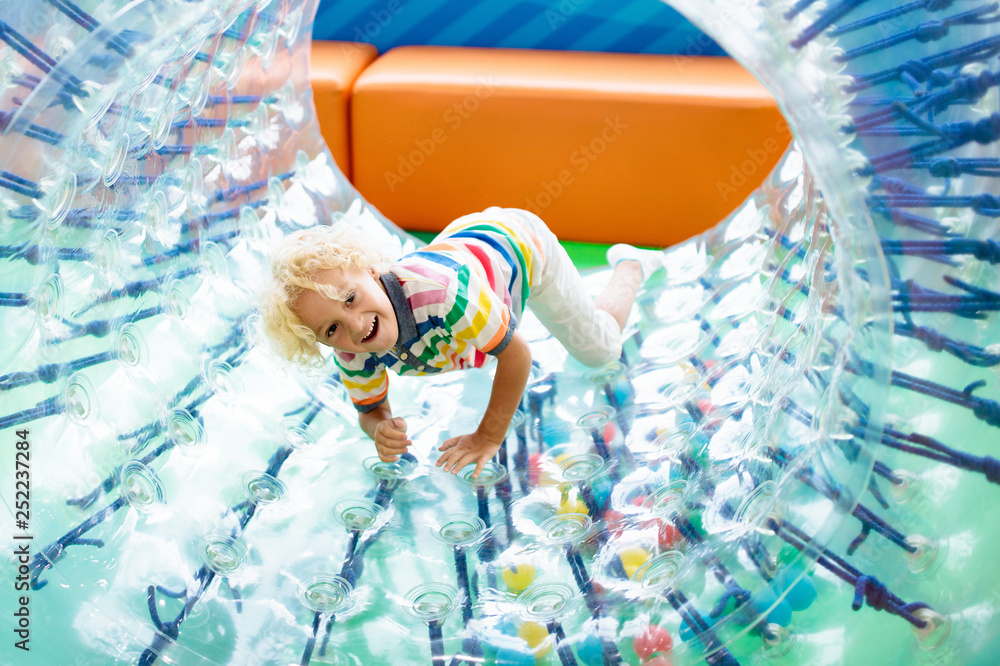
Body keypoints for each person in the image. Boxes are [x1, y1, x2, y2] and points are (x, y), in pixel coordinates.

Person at [260, 207, 662, 478]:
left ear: (369, 270)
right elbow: (370, 408)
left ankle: (632, 264)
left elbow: (518, 354)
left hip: (520, 248)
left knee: (600, 350)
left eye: (350, 299)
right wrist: (379, 428)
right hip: (466, 246)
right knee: (479, 344)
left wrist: (487, 435)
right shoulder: (351, 349)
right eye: (330, 330)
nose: (353, 325)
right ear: (319, 341)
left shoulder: (442, 295)